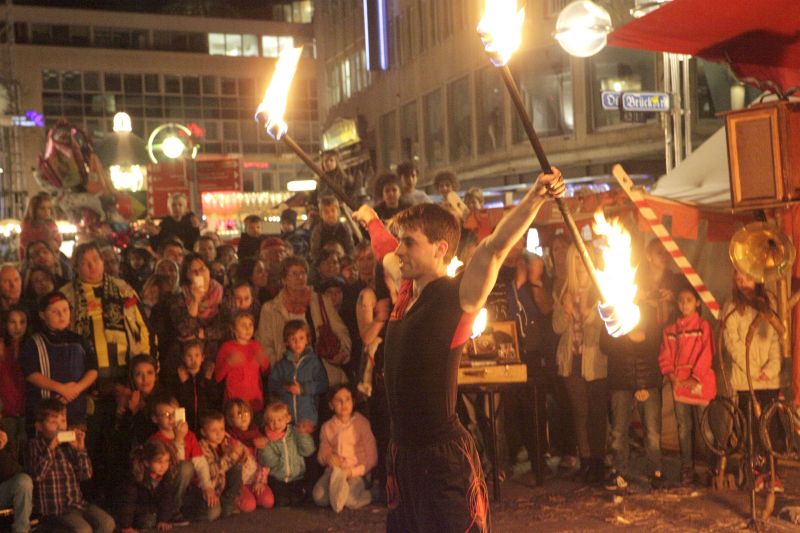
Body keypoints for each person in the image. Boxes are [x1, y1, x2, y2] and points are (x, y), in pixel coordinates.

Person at [352, 167, 564, 532]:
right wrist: (371, 220)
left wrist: (536, 196)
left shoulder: (458, 296)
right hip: (402, 457)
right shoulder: (405, 289)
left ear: (440, 249)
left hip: (443, 461)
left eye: (410, 243)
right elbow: (385, 249)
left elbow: (495, 247)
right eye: (401, 241)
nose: (400, 250)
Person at [722, 271, 782, 492]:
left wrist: (771, 369)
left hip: (769, 380)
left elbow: (776, 338)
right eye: (738, 279)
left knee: (771, 428)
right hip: (746, 380)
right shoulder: (731, 306)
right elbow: (733, 342)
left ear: (756, 278)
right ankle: (757, 473)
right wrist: (753, 370)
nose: (742, 283)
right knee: (753, 430)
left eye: (746, 278)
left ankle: (773, 473)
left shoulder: (769, 302)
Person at [552, 245, 608, 484]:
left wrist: (587, 312)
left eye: (583, 258)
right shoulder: (564, 290)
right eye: (575, 258)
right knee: (580, 412)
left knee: (597, 414)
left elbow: (606, 326)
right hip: (571, 360)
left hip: (595, 360)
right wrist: (565, 311)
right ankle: (585, 461)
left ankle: (598, 462)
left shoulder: (601, 289)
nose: (580, 263)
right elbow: (557, 328)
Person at [601, 293, 665, 491]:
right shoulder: (612, 312)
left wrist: (642, 385)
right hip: (621, 381)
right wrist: (627, 334)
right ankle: (619, 472)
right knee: (619, 431)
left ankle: (656, 471)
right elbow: (606, 345)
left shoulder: (648, 312)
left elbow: (653, 343)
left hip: (647, 380)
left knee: (652, 432)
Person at [257, 256, 351, 385]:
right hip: (289, 379)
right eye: (294, 274)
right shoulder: (270, 309)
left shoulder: (321, 301)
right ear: (284, 279)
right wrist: (281, 369)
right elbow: (265, 345)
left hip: (323, 374)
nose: (300, 277)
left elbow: (341, 330)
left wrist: (343, 352)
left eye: (303, 273)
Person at [26, 399, 115, 533]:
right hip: (55, 509)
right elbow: (37, 475)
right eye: (53, 422)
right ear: (39, 426)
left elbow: (86, 475)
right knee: (83, 529)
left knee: (107, 522)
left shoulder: (68, 446)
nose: (60, 427)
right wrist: (51, 447)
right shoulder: (35, 445)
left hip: (77, 504)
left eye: (63, 421)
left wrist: (80, 450)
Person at [659, 285, 716, 486]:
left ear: (697, 303)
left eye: (689, 300)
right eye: (681, 300)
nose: (684, 304)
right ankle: (687, 469)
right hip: (680, 384)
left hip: (700, 383)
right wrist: (671, 375)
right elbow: (665, 355)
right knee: (683, 429)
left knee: (705, 429)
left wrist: (695, 377)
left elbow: (707, 353)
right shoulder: (671, 330)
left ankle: (712, 469)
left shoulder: (703, 326)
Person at [19, 291, 98, 432]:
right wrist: (61, 389)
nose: (62, 315)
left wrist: (76, 389)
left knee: (76, 444)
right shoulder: (34, 342)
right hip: (46, 416)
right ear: (42, 315)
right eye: (55, 312)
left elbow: (93, 369)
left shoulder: (80, 340)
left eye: (65, 310)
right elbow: (30, 374)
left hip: (76, 411)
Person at [313, 385, 376, 513]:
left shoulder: (361, 423)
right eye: (338, 400)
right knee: (319, 497)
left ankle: (373, 493)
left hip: (357, 473)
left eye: (347, 399)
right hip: (335, 473)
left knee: (349, 500)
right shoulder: (327, 427)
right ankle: (336, 495)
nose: (344, 404)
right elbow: (322, 453)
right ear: (331, 405)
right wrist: (328, 458)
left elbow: (372, 457)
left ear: (353, 401)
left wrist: (351, 472)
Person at [147, 394, 205, 518]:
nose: (172, 418)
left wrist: (207, 487)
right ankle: (171, 511)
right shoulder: (155, 441)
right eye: (166, 415)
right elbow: (175, 467)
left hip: (188, 488)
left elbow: (200, 462)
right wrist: (178, 439)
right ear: (155, 419)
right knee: (185, 467)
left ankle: (182, 510)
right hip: (165, 489)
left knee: (212, 510)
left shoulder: (189, 435)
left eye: (174, 414)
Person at [268, 320, 329, 428]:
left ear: (307, 340)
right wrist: (286, 387)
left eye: (301, 338)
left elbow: (323, 384)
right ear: (286, 342)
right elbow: (271, 384)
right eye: (293, 339)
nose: (297, 342)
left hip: (307, 418)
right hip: (286, 421)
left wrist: (303, 389)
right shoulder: (281, 365)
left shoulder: (313, 362)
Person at [117, 440, 183, 532]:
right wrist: (126, 526)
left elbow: (166, 499)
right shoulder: (136, 477)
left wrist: (163, 520)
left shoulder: (167, 477)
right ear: (147, 462)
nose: (164, 466)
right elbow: (128, 502)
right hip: (138, 512)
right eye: (159, 462)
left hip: (153, 509)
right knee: (147, 521)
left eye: (166, 461)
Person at [258, 401, 316, 507]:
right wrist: (264, 448)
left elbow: (308, 451)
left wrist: (303, 435)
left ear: (288, 419)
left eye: (279, 420)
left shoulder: (295, 433)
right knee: (281, 502)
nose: (276, 424)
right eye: (272, 421)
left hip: (297, 478)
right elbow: (270, 462)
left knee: (298, 500)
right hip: (278, 479)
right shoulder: (268, 439)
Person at [192, 411, 246, 521]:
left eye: (222, 429)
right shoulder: (201, 447)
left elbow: (242, 455)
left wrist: (239, 452)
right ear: (203, 432)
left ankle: (228, 502)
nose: (219, 433)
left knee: (237, 466)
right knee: (212, 514)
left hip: (222, 488)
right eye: (214, 430)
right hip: (208, 490)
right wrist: (232, 455)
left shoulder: (225, 442)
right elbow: (213, 471)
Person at [223, 399, 274, 511]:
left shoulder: (257, 435)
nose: (244, 417)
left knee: (268, 501)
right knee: (248, 505)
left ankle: (253, 494)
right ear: (230, 419)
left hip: (256, 479)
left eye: (246, 412)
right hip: (239, 483)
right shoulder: (229, 439)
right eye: (239, 414)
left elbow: (264, 461)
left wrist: (260, 482)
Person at [214, 311, 270, 413]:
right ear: (234, 329)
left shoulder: (256, 345)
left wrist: (263, 361)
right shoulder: (227, 347)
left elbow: (266, 372)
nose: (248, 329)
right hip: (234, 404)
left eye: (250, 325)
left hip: (255, 403)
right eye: (243, 325)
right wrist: (229, 363)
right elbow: (217, 377)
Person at [175, 340, 221, 434]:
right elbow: (178, 401)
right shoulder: (179, 378)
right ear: (183, 358)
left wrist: (208, 381)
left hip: (205, 424)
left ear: (202, 357)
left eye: (197, 355)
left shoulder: (207, 375)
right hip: (187, 424)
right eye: (189, 356)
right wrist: (184, 383)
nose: (193, 360)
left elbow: (214, 398)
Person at [0, 306, 28, 446]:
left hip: (27, 411)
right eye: (13, 322)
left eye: (22, 322)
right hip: (5, 412)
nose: (18, 327)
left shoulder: (31, 347)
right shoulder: (2, 347)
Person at [0, 416, 33, 533]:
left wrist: (1, 451)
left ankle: (21, 530)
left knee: (23, 482)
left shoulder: (3, 433)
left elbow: (14, 470)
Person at [310, 197, 355, 264]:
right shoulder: (318, 230)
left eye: (333, 210)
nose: (330, 215)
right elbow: (314, 252)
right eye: (326, 212)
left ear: (338, 212)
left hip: (342, 262)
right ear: (321, 215)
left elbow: (350, 248)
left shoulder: (344, 228)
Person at [19, 192, 61, 261]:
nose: (47, 212)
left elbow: (58, 240)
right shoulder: (28, 226)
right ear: (34, 210)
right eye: (42, 208)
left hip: (51, 257)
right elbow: (25, 243)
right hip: (32, 259)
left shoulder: (51, 225)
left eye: (49, 208)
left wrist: (54, 243)